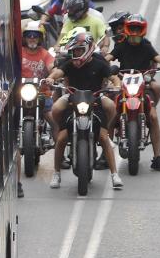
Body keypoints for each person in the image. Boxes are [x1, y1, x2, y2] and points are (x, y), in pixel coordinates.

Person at [43, 29, 122, 190]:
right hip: (73, 99)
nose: (75, 54)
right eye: (74, 51)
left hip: (95, 99)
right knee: (61, 134)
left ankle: (114, 174)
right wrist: (50, 78)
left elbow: (113, 78)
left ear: (87, 49)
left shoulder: (100, 63)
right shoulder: (70, 64)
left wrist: (118, 86)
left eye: (78, 50)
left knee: (104, 135)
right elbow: (58, 72)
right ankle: (56, 173)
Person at [108, 15, 160, 172]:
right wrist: (103, 62)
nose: (135, 32)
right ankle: (105, 155)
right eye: (132, 28)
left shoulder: (146, 45)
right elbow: (109, 57)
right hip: (124, 85)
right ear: (127, 29)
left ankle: (157, 158)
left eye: (138, 28)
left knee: (153, 117)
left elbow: (157, 57)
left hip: (144, 84)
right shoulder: (121, 45)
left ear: (142, 30)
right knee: (111, 113)